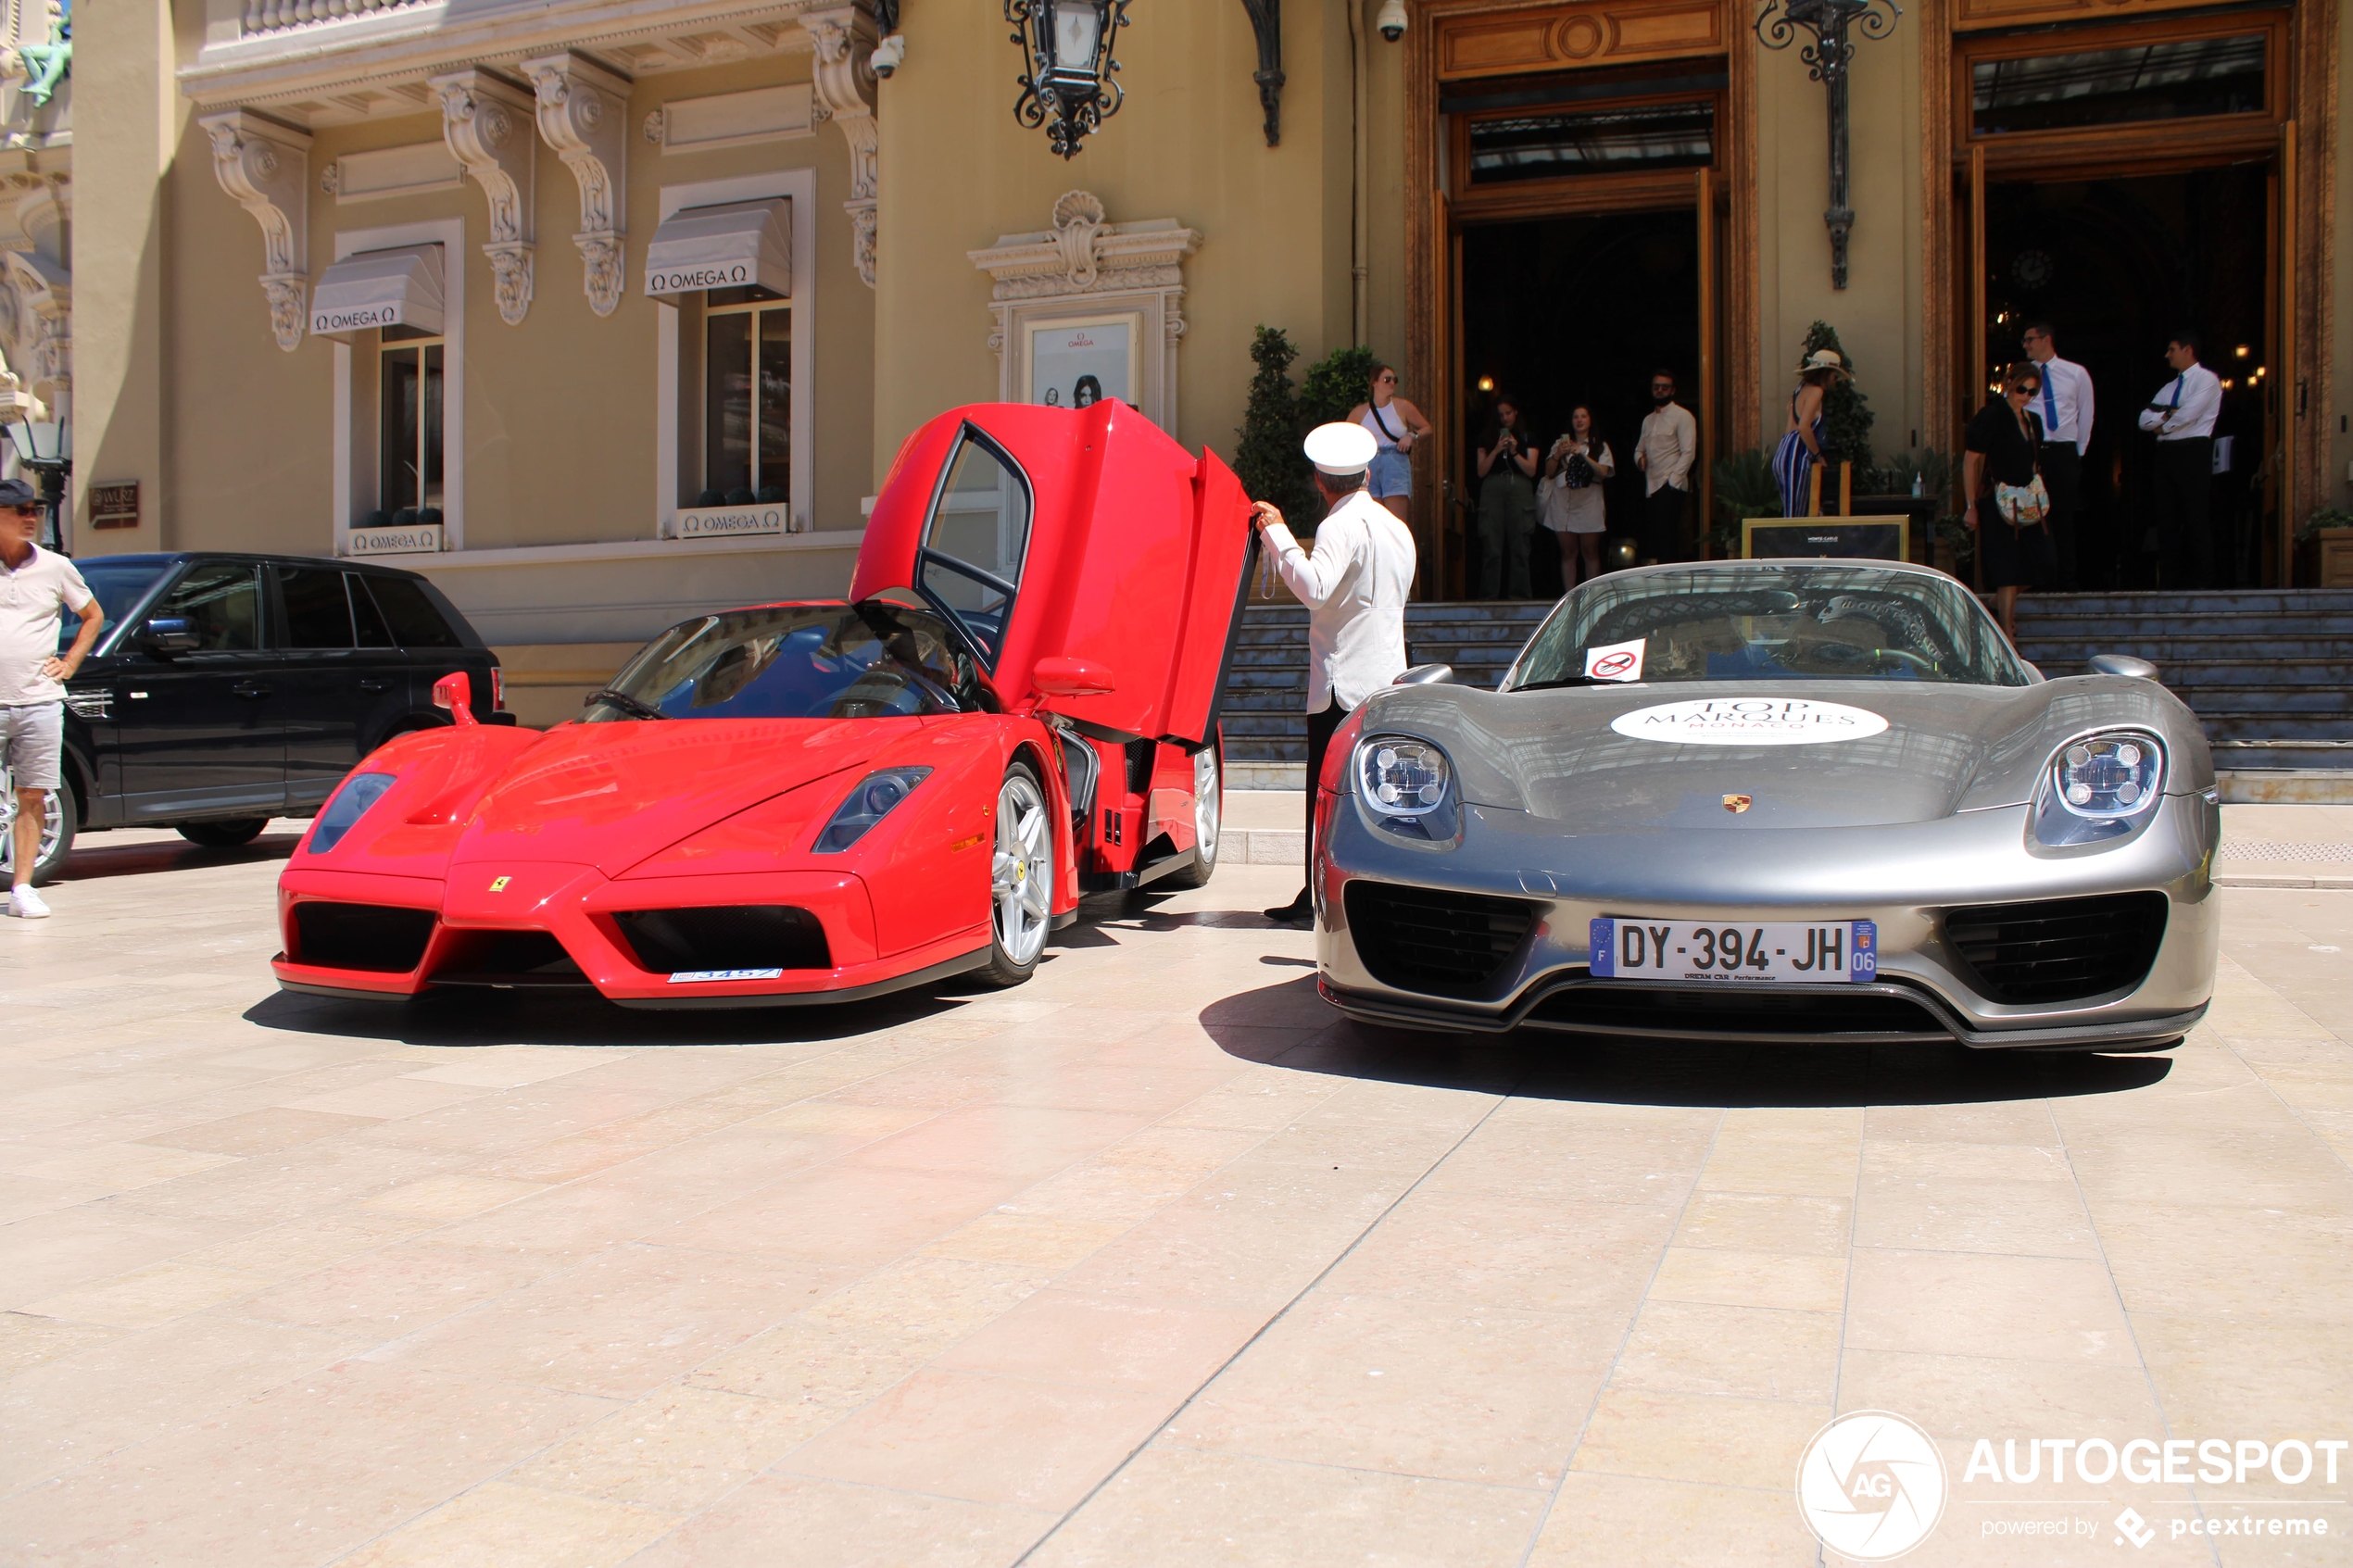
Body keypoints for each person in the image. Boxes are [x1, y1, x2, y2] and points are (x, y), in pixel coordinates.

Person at [1252, 422, 1416, 927]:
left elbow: (1314, 586)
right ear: (1367, 474)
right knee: (1380, 793)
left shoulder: (1338, 524)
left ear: (1321, 483)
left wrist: (1277, 533)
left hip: (1341, 686)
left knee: (1327, 797)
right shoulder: (1396, 526)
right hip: (1388, 678)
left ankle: (1319, 894)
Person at [1, 477, 101, 918]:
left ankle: (23, 887)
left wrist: (71, 663)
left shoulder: (56, 566)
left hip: (39, 699)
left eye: (35, 510)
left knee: (33, 794)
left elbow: (92, 614)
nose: (30, 518)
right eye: (20, 510)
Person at [1963, 362, 2057, 641]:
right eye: (2021, 389)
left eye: (2032, 391)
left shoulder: (2032, 421)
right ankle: (2008, 637)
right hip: (1999, 501)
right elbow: (1970, 461)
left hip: (2028, 501)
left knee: (2045, 563)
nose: (2026, 395)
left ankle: (1995, 604)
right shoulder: (1992, 416)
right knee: (2007, 571)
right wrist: (1971, 505)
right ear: (2008, 383)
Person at [2137, 332, 2221, 590]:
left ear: (2187, 350)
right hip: (2166, 454)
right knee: (2167, 517)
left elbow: (2190, 414)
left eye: (2171, 349)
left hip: (2192, 451)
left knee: (2195, 515)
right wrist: (2166, 419)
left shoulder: (2207, 379)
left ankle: (2203, 581)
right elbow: (2143, 419)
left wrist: (2163, 423)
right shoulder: (2168, 387)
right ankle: (2170, 581)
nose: (2167, 354)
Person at [2020, 321, 2094, 591]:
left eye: (2030, 339)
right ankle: (2039, 580)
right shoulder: (2023, 377)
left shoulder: (2076, 373)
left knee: (2063, 517)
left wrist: (2078, 452)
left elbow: (2086, 411)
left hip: (2064, 451)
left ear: (2046, 339)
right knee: (2034, 517)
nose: (2026, 345)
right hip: (2035, 452)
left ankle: (2067, 580)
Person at [1347, 363, 1433, 524]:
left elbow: (1427, 428)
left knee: (1396, 522)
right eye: (1387, 379)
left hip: (1395, 459)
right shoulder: (1360, 412)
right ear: (1375, 383)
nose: (1392, 383)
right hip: (1369, 463)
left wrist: (1411, 435)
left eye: (1395, 380)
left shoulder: (1403, 406)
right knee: (1373, 521)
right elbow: (1347, 437)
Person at [1472, 395, 1538, 599]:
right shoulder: (1486, 437)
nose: (1505, 418)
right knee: (1492, 545)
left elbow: (1532, 470)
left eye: (1508, 413)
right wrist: (1497, 450)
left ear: (1516, 412)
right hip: (1493, 487)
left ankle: (1521, 596)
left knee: (1520, 545)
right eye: (1501, 415)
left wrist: (1515, 452)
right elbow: (1481, 471)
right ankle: (1489, 597)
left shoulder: (1527, 437)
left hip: (1519, 487)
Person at [1541, 406, 1612, 589]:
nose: (1579, 420)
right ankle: (1570, 597)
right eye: (1575, 417)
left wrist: (1581, 454)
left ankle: (1591, 595)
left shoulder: (1599, 445)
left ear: (1590, 420)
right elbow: (1548, 472)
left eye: (1583, 416)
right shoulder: (1560, 443)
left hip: (1589, 500)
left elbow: (1604, 472)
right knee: (1568, 552)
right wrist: (1558, 454)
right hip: (1563, 500)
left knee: (1590, 551)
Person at [1772, 351, 1846, 518]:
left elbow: (1790, 415)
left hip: (1784, 450)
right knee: (1796, 518)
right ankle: (1791, 544)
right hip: (1796, 453)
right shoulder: (1816, 391)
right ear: (1826, 373)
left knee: (1796, 511)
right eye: (1834, 375)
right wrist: (1819, 455)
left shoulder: (1800, 389)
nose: (1835, 380)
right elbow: (1804, 427)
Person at [1633, 369, 1695, 563]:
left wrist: (1673, 482)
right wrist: (1640, 459)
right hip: (1651, 486)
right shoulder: (1648, 420)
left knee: (1671, 539)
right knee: (1657, 540)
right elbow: (1638, 449)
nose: (1660, 390)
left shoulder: (1683, 416)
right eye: (1656, 387)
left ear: (1673, 390)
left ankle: (1674, 586)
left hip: (1670, 486)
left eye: (1664, 387)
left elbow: (1688, 452)